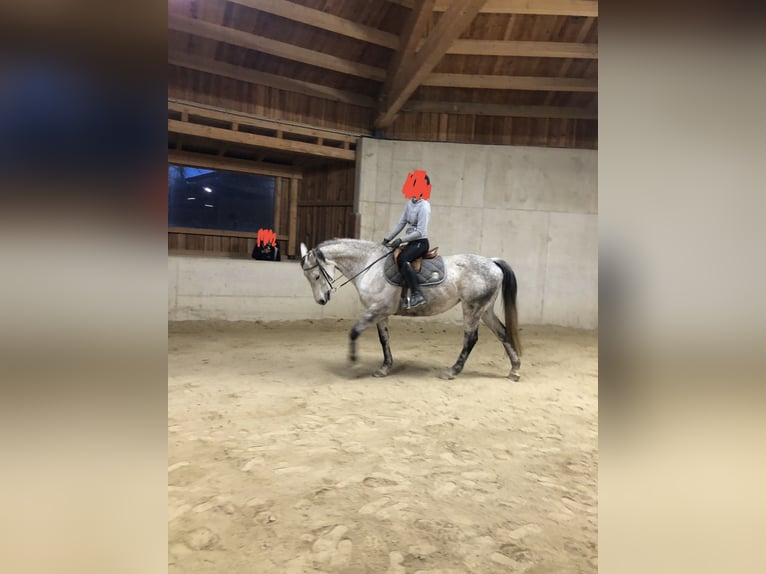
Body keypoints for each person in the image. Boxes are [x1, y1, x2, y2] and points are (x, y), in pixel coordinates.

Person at [383, 170, 432, 309]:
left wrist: (400, 240)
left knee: (402, 259)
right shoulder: (410, 203)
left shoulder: (424, 206)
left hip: (420, 242)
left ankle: (417, 294)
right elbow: (401, 223)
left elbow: (420, 232)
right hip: (411, 242)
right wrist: (387, 239)